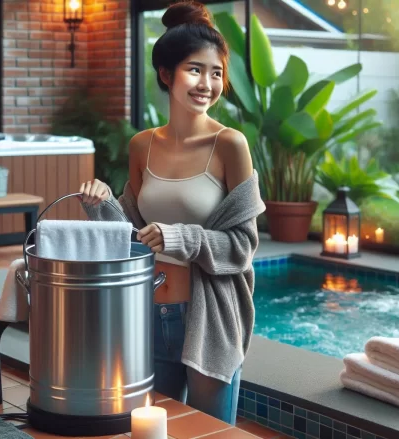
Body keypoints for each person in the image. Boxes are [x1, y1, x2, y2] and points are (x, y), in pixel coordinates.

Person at [79, 0, 265, 426]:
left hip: (208, 318)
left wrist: (181, 237)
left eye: (216, 72)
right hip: (147, 311)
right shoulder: (142, 146)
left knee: (208, 432)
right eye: (195, 70)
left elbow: (243, 246)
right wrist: (102, 203)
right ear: (166, 74)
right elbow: (130, 236)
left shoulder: (230, 145)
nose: (208, 83)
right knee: (150, 429)